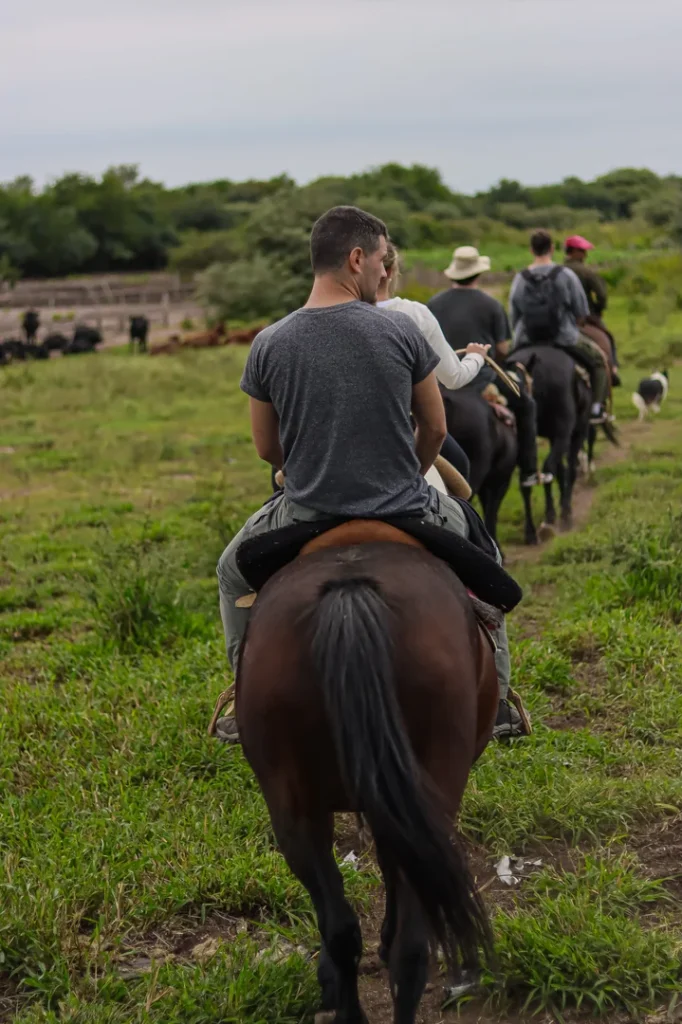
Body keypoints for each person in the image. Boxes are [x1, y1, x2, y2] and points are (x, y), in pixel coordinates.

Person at [215, 205, 528, 742]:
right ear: (356, 258)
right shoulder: (399, 331)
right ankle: (497, 700)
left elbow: (268, 448)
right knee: (488, 560)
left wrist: (304, 467)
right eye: (382, 261)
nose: (386, 272)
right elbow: (433, 426)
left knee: (230, 573)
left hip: (307, 508)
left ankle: (243, 699)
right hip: (405, 503)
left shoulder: (268, 342)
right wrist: (409, 470)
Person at [428, 246, 545, 488]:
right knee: (526, 404)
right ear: (478, 274)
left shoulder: (432, 304)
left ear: (453, 274)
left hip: (439, 382)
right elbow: (502, 349)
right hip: (479, 379)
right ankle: (529, 471)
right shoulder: (491, 304)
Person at [375, 241, 489, 482]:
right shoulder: (415, 314)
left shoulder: (338, 313)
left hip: (340, 427)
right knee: (460, 466)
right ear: (393, 271)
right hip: (403, 423)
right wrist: (476, 357)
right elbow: (454, 377)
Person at [509, 230, 610, 423]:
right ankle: (597, 407)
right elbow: (581, 311)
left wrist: (520, 335)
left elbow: (514, 315)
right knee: (598, 361)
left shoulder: (520, 278)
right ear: (553, 249)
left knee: (505, 370)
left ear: (531, 250)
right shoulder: (566, 274)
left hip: (526, 339)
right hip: (563, 337)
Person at [564, 235, 620, 381]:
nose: (585, 254)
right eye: (582, 251)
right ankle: (613, 369)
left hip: (561, 317)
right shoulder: (586, 272)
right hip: (586, 316)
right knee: (608, 337)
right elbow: (601, 295)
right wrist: (598, 309)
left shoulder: (557, 270)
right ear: (575, 251)